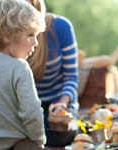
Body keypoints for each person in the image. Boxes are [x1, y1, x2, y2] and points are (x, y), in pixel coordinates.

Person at [0, 0, 46, 149]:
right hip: (18, 145)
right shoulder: (19, 67)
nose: (36, 43)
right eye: (30, 35)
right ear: (6, 36)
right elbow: (32, 113)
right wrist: (39, 140)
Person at [26, 0, 80, 129]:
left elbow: (71, 77)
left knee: (61, 134)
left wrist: (61, 105)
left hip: (58, 101)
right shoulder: (5, 33)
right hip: (26, 107)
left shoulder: (61, 27)